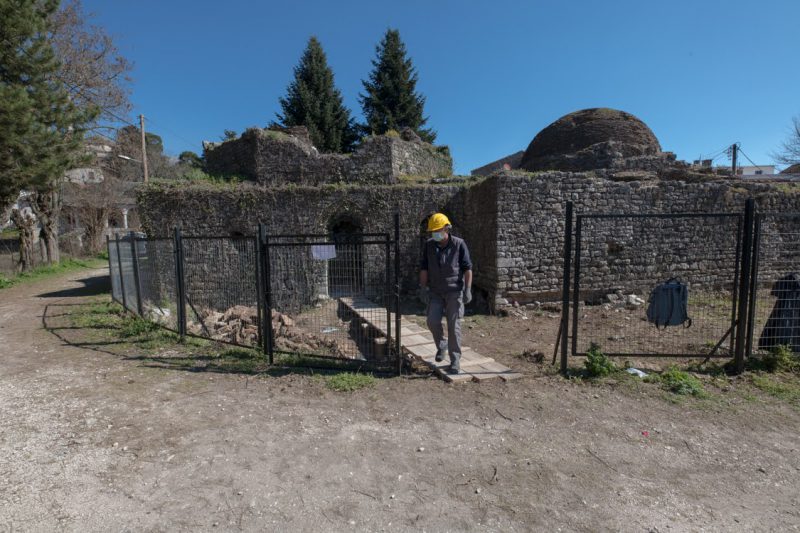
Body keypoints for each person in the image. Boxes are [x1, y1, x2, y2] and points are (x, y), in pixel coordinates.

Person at [418, 213, 473, 374]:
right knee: (432, 321)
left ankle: (455, 360)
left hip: (454, 291)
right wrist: (422, 288)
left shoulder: (459, 244)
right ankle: (442, 345)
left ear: (446, 228)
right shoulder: (429, 245)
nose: (435, 233)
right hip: (435, 291)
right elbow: (424, 268)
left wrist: (468, 289)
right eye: (433, 231)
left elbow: (467, 268)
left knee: (453, 326)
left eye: (438, 230)